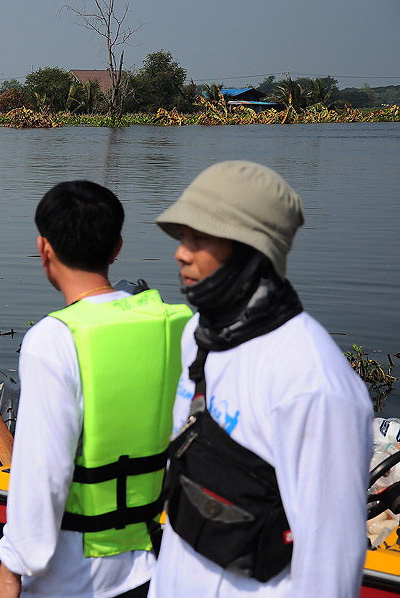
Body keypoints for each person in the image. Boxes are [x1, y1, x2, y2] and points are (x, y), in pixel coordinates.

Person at [149, 161, 372, 597]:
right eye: (182, 237)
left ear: (251, 250)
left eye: (200, 238)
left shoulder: (313, 382)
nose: (181, 252)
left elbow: (329, 564)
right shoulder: (197, 340)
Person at [0, 181, 191, 598]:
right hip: (148, 568)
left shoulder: (54, 339)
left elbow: (42, 476)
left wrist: (10, 572)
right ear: (117, 247)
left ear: (44, 249)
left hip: (72, 579)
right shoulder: (175, 325)